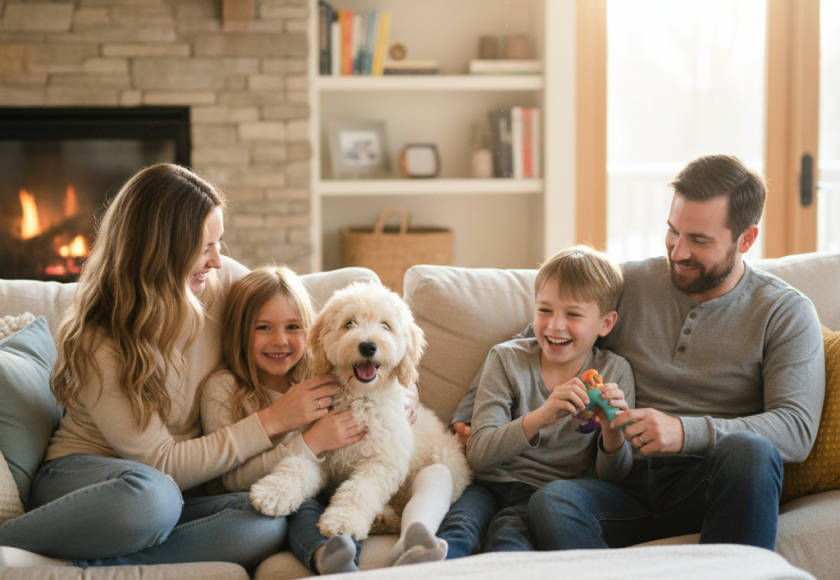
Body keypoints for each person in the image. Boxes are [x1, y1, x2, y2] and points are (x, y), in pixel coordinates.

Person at [456, 154, 826, 552]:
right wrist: (463, 418)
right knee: (552, 501)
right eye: (673, 232)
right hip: (617, 482)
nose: (678, 252)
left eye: (699, 240)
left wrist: (684, 431)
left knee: (750, 453)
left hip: (704, 481)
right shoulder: (631, 282)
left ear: (746, 239)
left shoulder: (785, 312)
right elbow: (539, 337)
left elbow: (795, 429)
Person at [0, 164, 293, 571]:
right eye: (204, 246)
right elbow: (162, 462)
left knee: (266, 521)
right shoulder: (100, 336)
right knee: (152, 498)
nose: (217, 262)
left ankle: (77, 561)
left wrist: (371, 384)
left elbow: (299, 327)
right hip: (95, 481)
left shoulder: (223, 287)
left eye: (219, 244)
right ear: (162, 248)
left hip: (174, 490)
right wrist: (273, 420)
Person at [200, 265, 452, 575]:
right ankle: (330, 555)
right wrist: (310, 446)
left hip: (409, 468)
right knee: (305, 507)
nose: (280, 340)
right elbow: (310, 457)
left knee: (432, 474)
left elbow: (401, 365)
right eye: (263, 327)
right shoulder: (311, 383)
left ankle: (390, 526)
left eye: (292, 327)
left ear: (304, 334)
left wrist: (409, 388)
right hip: (276, 487)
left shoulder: (313, 375)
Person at [463, 245, 635, 552]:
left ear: (606, 323)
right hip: (488, 485)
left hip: (545, 497)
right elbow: (478, 454)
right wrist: (541, 416)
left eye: (573, 314)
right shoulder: (506, 359)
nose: (555, 325)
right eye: (544, 310)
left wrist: (612, 430)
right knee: (460, 526)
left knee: (508, 536)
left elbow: (614, 476)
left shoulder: (614, 372)